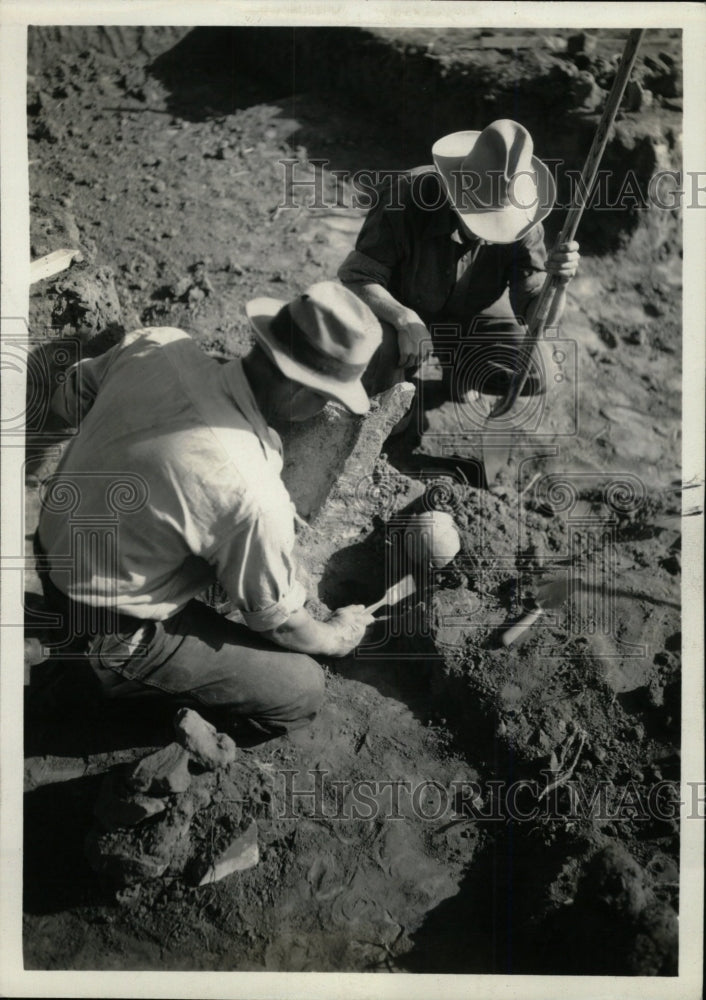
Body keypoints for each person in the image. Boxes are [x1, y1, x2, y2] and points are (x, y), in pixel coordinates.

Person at [34, 282, 381, 738]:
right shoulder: (251, 490)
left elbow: (69, 398)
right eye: (325, 398)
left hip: (48, 551)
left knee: (214, 562)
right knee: (300, 688)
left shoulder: (158, 344)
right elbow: (282, 627)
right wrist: (338, 634)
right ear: (301, 391)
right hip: (105, 628)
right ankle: (96, 700)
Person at [338, 119, 580, 400]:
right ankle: (389, 387)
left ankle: (461, 369)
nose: (487, 232)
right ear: (453, 193)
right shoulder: (404, 197)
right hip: (402, 313)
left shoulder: (523, 223)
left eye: (496, 221)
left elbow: (536, 318)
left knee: (539, 373)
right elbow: (357, 277)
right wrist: (403, 319)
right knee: (391, 415)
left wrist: (559, 285)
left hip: (470, 314)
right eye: (479, 218)